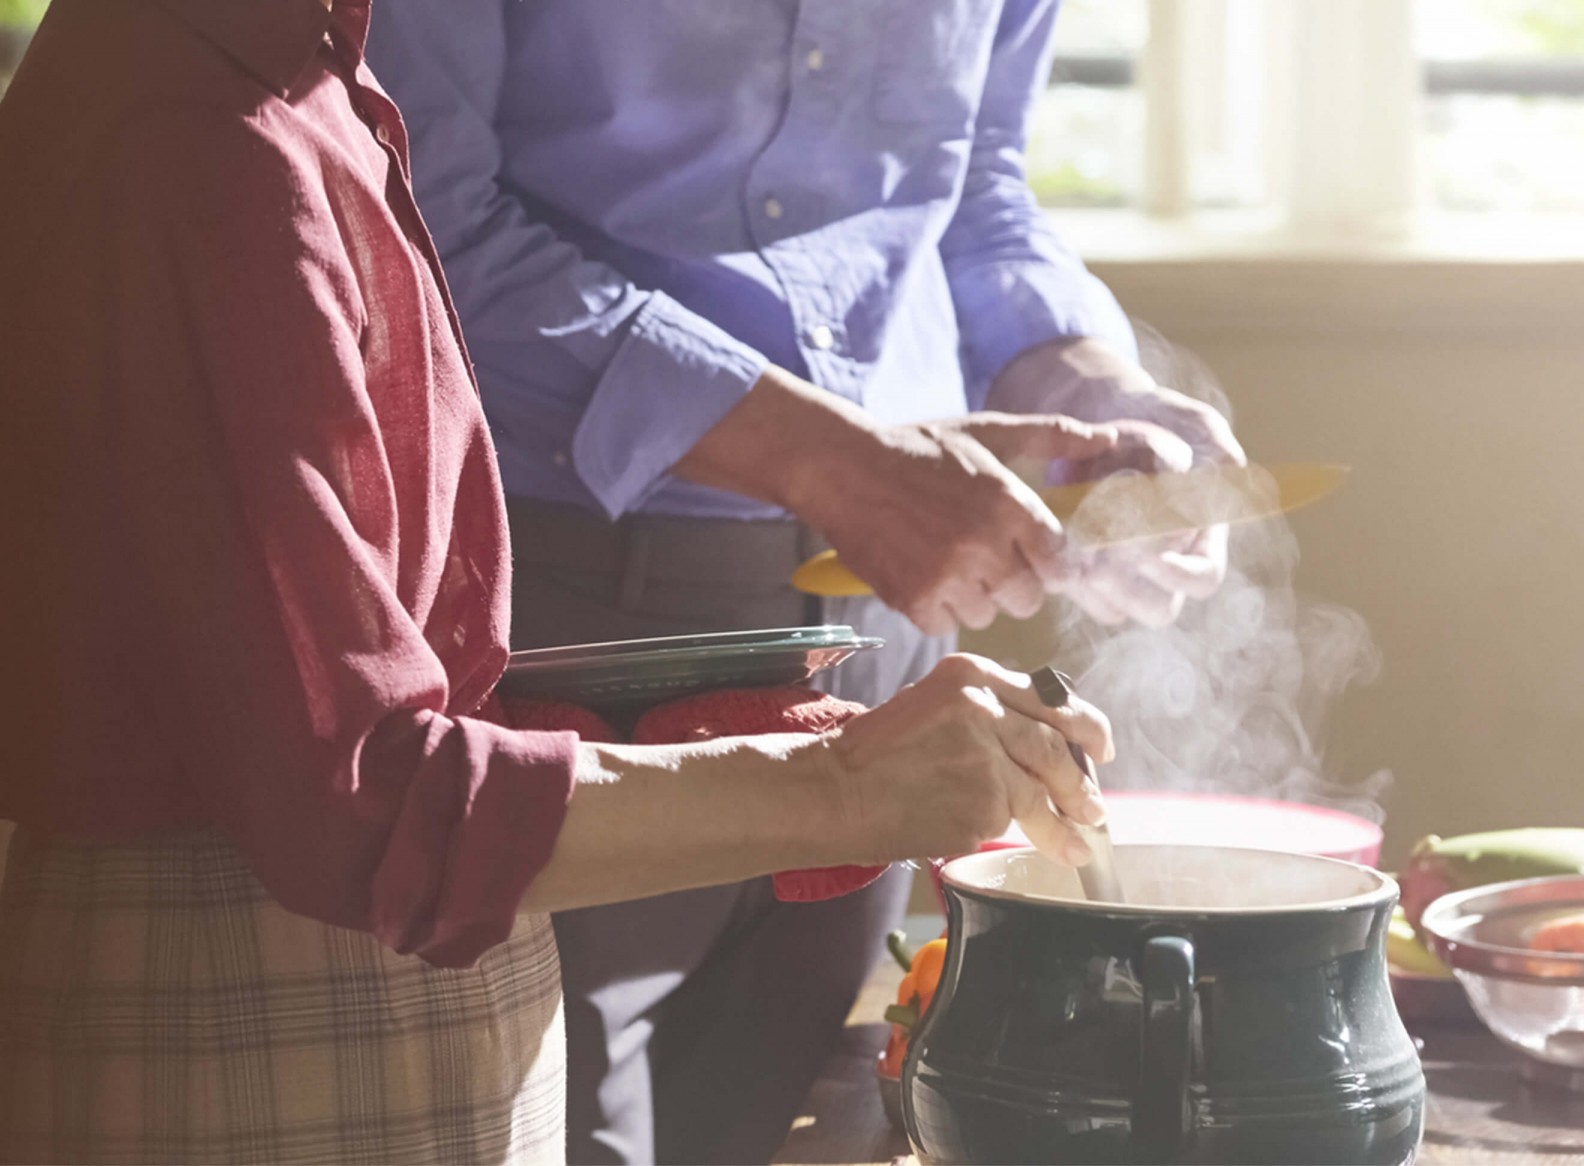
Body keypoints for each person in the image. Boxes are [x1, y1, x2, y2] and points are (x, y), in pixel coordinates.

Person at [0, 1, 1114, 1162]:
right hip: (245, 1025)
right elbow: (363, 798)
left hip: (364, 1005)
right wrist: (845, 783)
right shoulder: (196, 137)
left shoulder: (308, 77)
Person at [366, 4, 1247, 1159]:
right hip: (571, 606)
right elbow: (418, 227)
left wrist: (1093, 384)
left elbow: (973, 187)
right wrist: (829, 459)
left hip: (891, 627)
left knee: (754, 1126)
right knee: (560, 1129)